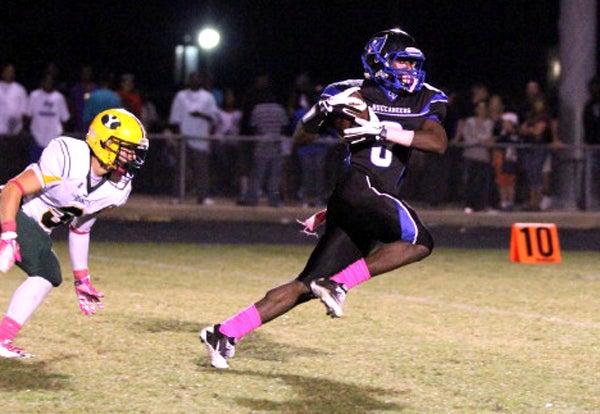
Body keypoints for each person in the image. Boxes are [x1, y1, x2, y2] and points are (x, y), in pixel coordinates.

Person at [199, 28, 448, 369]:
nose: (408, 69)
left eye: (412, 62)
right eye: (401, 61)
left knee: (304, 286)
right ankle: (337, 283)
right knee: (419, 241)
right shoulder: (349, 93)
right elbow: (301, 138)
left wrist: (381, 129)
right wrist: (316, 115)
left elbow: (437, 142)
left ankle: (225, 332)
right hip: (359, 187)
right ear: (377, 62)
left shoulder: (426, 98)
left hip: (367, 202)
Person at [0, 108, 149, 358]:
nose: (132, 156)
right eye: (127, 148)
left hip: (32, 229)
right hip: (11, 213)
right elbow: (12, 190)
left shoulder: (116, 190)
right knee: (47, 270)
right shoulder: (69, 156)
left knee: (48, 272)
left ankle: (3, 339)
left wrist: (82, 279)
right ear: (104, 142)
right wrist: (9, 234)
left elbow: (80, 228)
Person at [168, 71, 219, 205]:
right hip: (184, 138)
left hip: (201, 139)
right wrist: (179, 137)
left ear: (200, 80)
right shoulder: (181, 96)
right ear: (188, 81)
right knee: (181, 170)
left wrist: (200, 115)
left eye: (197, 78)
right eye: (192, 79)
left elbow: (214, 118)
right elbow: (175, 119)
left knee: (201, 170)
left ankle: (203, 197)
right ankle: (177, 196)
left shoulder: (208, 97)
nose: (194, 81)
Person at [23, 73, 70, 163]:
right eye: (46, 81)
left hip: (53, 139)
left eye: (50, 82)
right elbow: (27, 116)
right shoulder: (34, 95)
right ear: (42, 82)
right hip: (36, 138)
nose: (48, 83)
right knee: (33, 168)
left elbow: (65, 119)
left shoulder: (59, 98)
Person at [0, 63, 28, 136]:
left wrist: (22, 128)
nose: (9, 73)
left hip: (15, 131)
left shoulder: (20, 89)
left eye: (11, 71)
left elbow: (24, 112)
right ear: (3, 72)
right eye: (7, 71)